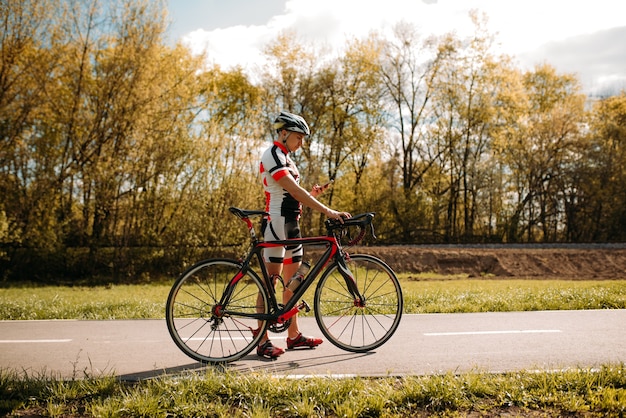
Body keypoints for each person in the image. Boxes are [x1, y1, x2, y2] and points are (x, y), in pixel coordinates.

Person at [255, 111, 351, 359]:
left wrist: (313, 195)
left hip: (291, 225)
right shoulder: (273, 154)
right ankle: (262, 339)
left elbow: (293, 192)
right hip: (276, 224)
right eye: (299, 137)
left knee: (294, 283)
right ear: (284, 133)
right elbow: (293, 192)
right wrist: (328, 211)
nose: (302, 143)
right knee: (270, 284)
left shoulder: (287, 157)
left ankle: (293, 336)